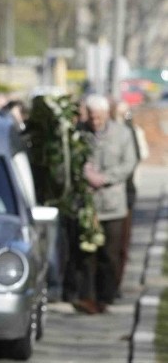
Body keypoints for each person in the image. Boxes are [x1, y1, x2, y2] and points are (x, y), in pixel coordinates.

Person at [72, 94, 138, 315]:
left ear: (107, 114)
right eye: (91, 117)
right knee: (86, 254)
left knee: (109, 255)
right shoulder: (80, 133)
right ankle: (87, 297)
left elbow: (129, 163)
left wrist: (105, 178)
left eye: (98, 117)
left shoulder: (123, 134)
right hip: (87, 205)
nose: (94, 121)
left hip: (112, 205)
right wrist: (84, 175)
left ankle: (105, 296)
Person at [112, 99, 149, 290]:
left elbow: (137, 157)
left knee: (121, 239)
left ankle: (115, 282)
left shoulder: (131, 132)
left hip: (125, 190)